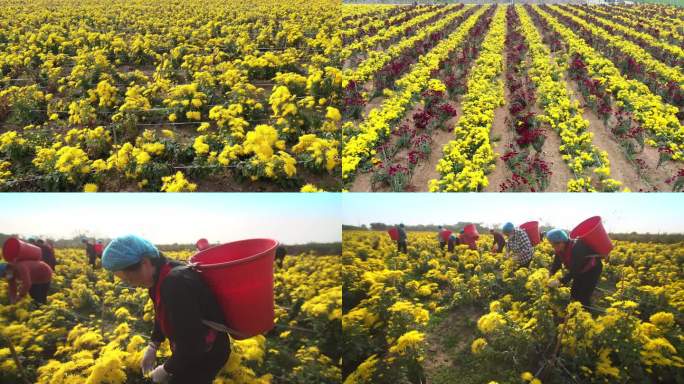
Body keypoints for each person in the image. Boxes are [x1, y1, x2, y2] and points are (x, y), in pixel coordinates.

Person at [102, 235, 229, 384]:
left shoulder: (175, 282)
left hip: (206, 353)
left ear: (145, 262)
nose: (132, 284)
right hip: (194, 349)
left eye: (129, 277)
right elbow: (163, 312)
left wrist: (167, 369)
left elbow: (192, 341)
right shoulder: (158, 278)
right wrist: (153, 344)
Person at [546, 229, 603, 308]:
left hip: (592, 269)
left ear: (562, 241)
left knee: (584, 296)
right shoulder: (560, 249)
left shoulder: (577, 247)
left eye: (555, 245)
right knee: (574, 292)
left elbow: (575, 270)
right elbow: (556, 264)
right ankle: (575, 313)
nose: (554, 248)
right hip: (581, 269)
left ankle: (585, 316)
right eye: (552, 245)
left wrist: (560, 281)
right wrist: (550, 273)